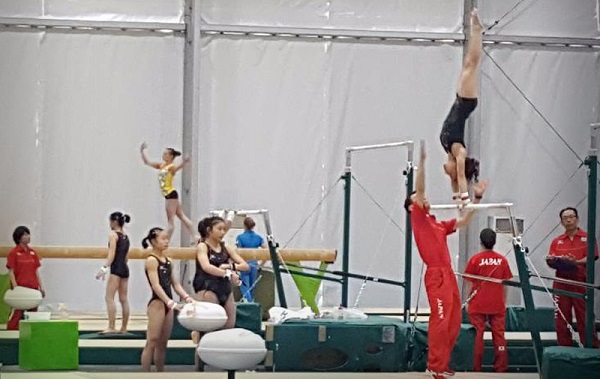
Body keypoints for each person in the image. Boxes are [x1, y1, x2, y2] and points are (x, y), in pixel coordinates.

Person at [404, 140, 487, 379]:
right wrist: (421, 164)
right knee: (440, 320)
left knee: (452, 322)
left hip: (447, 273)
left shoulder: (437, 223)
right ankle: (434, 365)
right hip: (436, 275)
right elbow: (419, 190)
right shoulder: (418, 218)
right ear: (412, 207)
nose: (425, 199)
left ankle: (443, 363)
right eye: (419, 199)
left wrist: (477, 199)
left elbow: (463, 221)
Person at [439, 8, 483, 205]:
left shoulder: (450, 151)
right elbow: (460, 178)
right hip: (465, 102)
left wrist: (456, 197)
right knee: (471, 64)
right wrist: (465, 199)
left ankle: (477, 30)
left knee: (469, 65)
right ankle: (477, 30)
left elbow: (455, 181)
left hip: (461, 100)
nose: (444, 172)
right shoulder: (459, 153)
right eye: (451, 173)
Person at [140, 227, 194, 372]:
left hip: (168, 305)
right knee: (152, 341)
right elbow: (156, 285)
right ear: (153, 241)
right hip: (157, 303)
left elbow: (175, 284)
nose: (166, 241)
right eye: (163, 239)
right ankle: (145, 374)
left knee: (163, 343)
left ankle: (160, 373)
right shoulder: (151, 260)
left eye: (167, 238)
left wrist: (187, 297)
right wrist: (169, 302)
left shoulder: (169, 260)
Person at [546, 207, 599, 348]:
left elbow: (592, 257)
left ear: (577, 218)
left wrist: (574, 262)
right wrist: (554, 260)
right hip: (561, 283)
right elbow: (552, 260)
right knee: (561, 319)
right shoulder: (556, 241)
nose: (568, 220)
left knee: (585, 318)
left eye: (571, 216)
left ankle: (591, 350)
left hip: (581, 283)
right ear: (561, 222)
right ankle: (564, 350)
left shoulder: (587, 238)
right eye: (565, 218)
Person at [464, 228, 513, 372]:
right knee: (499, 336)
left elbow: (469, 283)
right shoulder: (502, 260)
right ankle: (501, 368)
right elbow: (505, 284)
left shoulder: (475, 259)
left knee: (477, 336)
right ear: (495, 241)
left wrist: (467, 301)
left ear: (480, 241)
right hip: (497, 303)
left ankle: (476, 368)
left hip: (478, 302)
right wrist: (504, 301)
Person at [194, 216, 249, 329]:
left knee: (229, 325)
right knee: (210, 326)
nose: (223, 232)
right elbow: (206, 266)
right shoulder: (203, 246)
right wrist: (227, 273)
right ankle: (199, 335)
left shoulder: (226, 247)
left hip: (224, 288)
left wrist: (230, 266)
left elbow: (245, 266)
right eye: (219, 229)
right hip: (207, 286)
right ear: (209, 230)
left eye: (224, 229)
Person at [140, 142, 199, 241]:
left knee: (171, 222)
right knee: (182, 216)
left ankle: (165, 241)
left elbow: (178, 167)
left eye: (165, 154)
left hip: (170, 195)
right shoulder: (161, 165)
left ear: (171, 156)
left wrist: (184, 162)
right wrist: (143, 151)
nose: (163, 155)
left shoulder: (171, 167)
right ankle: (196, 236)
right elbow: (147, 162)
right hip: (170, 195)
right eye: (163, 154)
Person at [96, 211, 131, 334]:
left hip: (116, 269)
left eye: (110, 221)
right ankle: (124, 328)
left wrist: (104, 268)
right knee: (124, 299)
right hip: (125, 269)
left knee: (109, 297)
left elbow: (111, 255)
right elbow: (126, 257)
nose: (109, 224)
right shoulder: (126, 236)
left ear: (114, 222)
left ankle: (111, 326)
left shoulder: (113, 235)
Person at [6, 226, 44, 330]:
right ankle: (11, 334)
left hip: (33, 287)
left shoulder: (32, 253)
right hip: (21, 288)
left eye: (28, 234)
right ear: (19, 238)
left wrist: (41, 286)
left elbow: (36, 271)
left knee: (32, 314)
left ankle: (30, 335)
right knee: (17, 314)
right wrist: (15, 287)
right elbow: (11, 271)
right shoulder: (14, 253)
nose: (28, 236)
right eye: (25, 234)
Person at [236, 217, 267, 302]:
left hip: (244, 264)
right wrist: (262, 263)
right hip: (254, 264)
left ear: (244, 225)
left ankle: (249, 303)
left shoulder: (240, 237)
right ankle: (252, 303)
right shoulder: (258, 238)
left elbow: (238, 252)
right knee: (252, 287)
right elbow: (266, 251)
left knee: (245, 287)